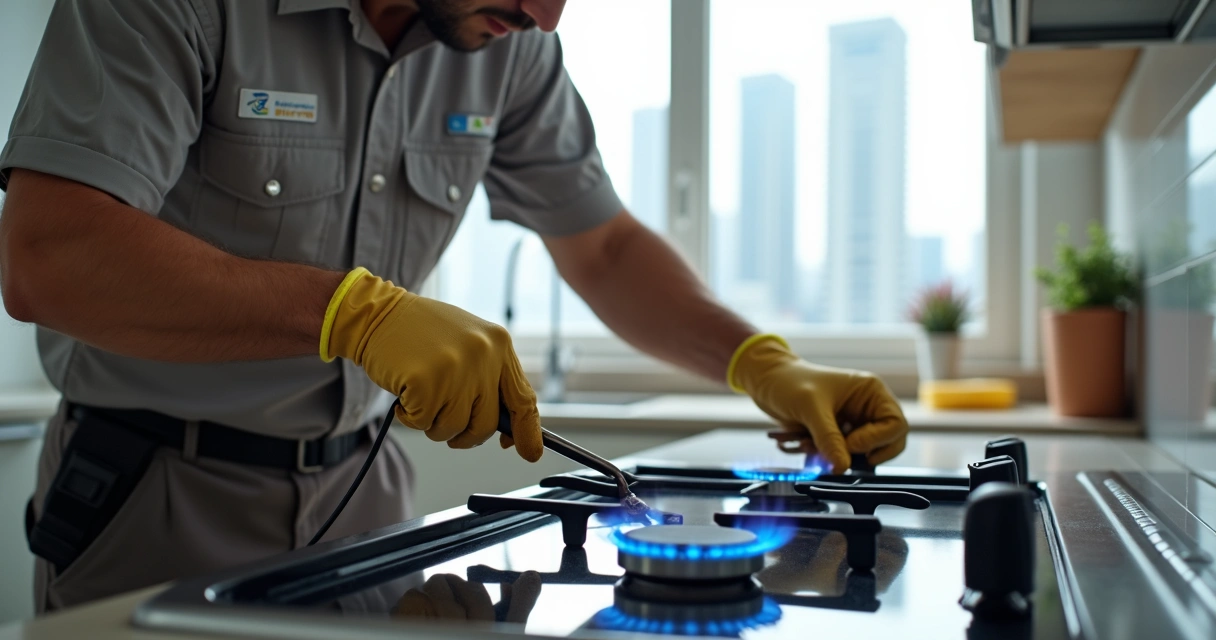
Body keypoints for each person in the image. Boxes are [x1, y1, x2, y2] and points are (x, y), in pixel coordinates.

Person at [0, 0, 909, 614]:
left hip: (369, 500)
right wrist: (352, 312)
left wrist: (762, 362)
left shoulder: (509, 41)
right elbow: (51, 255)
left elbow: (602, 245)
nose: (545, 15)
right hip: (157, 497)